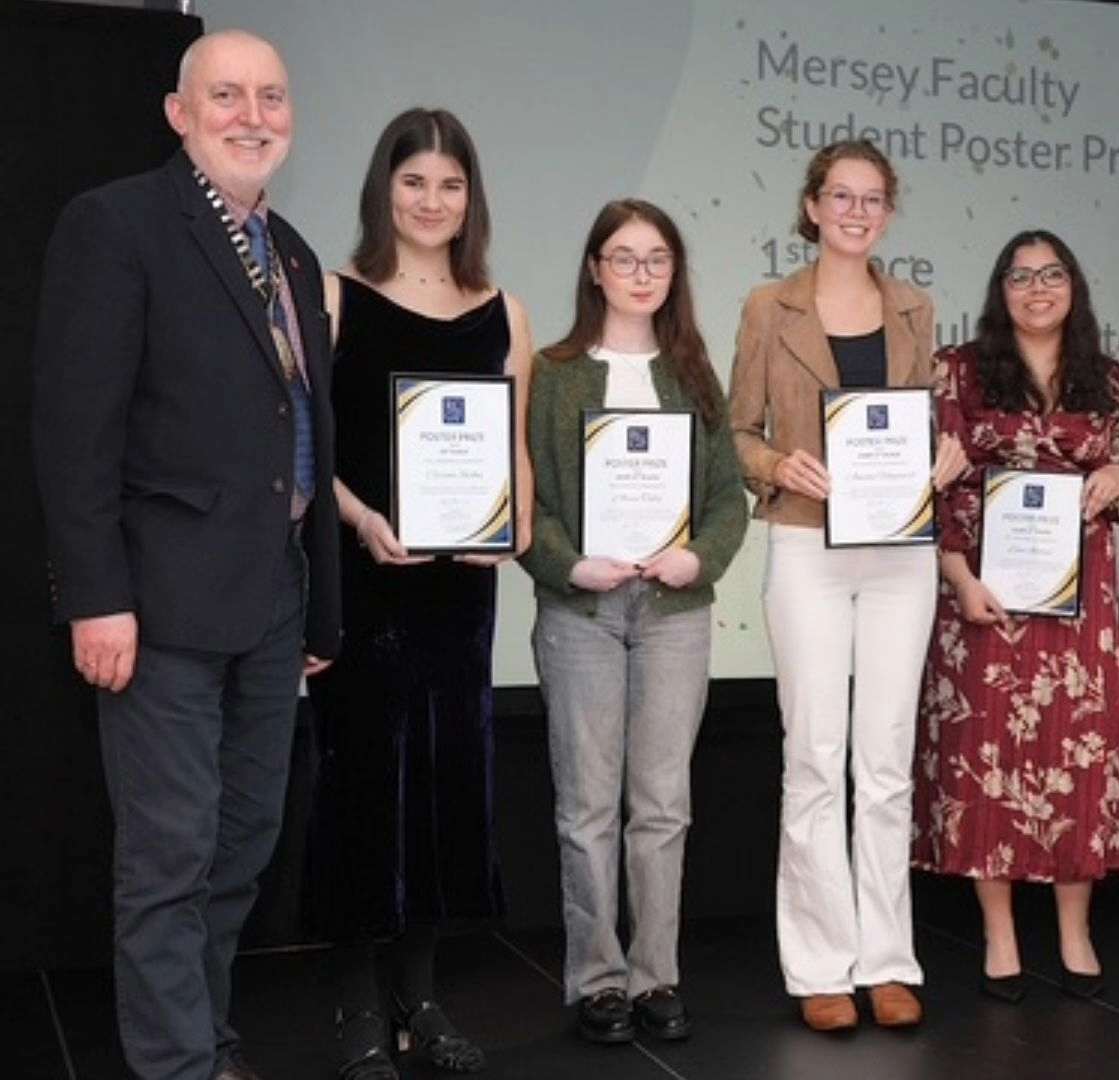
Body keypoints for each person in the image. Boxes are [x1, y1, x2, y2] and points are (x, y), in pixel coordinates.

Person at [31, 29, 341, 1080]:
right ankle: (176, 1067)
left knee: (243, 843)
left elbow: (305, 428)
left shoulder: (291, 252)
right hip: (156, 603)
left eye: (272, 97)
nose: (253, 116)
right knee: (170, 855)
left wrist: (320, 608)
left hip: (273, 598)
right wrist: (94, 597)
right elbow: (75, 431)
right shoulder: (117, 225)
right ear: (179, 112)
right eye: (227, 96)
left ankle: (205, 1042)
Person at [304, 108, 533, 1078]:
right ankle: (358, 1005)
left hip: (457, 596)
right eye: (413, 183)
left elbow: (514, 451)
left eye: (449, 184)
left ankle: (423, 1001)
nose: (432, 202)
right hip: (364, 582)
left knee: (444, 786)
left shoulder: (502, 311)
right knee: (363, 786)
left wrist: (513, 528)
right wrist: (361, 519)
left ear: (470, 197)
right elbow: (304, 444)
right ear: (383, 190)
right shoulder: (334, 296)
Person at [729, 139, 966, 1032]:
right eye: (841, 196)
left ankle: (888, 961)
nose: (856, 212)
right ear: (813, 206)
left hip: (902, 552)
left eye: (872, 199)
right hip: (805, 545)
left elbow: (921, 425)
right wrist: (774, 464)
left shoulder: (914, 307)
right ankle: (821, 965)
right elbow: (736, 432)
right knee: (815, 756)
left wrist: (944, 456)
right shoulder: (769, 306)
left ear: (888, 213)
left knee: (887, 762)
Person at [910, 230, 1119, 1003]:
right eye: (1020, 277)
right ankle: (1000, 935)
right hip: (984, 596)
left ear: (1073, 287)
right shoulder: (957, 370)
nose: (1037, 288)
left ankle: (1076, 932)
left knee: (1079, 761)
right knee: (987, 760)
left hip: (1081, 608)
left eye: (1052, 275)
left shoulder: (1111, 379)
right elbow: (935, 485)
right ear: (1000, 290)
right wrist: (958, 577)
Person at [521, 199, 747, 1044]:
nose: (641, 274)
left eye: (657, 259)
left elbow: (727, 498)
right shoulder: (553, 373)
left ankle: (656, 976)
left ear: (673, 272)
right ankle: (597, 980)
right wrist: (567, 563)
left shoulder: (693, 373)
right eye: (624, 257)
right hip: (581, 608)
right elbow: (528, 500)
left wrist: (701, 557)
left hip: (674, 610)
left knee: (662, 805)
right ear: (595, 268)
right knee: (586, 807)